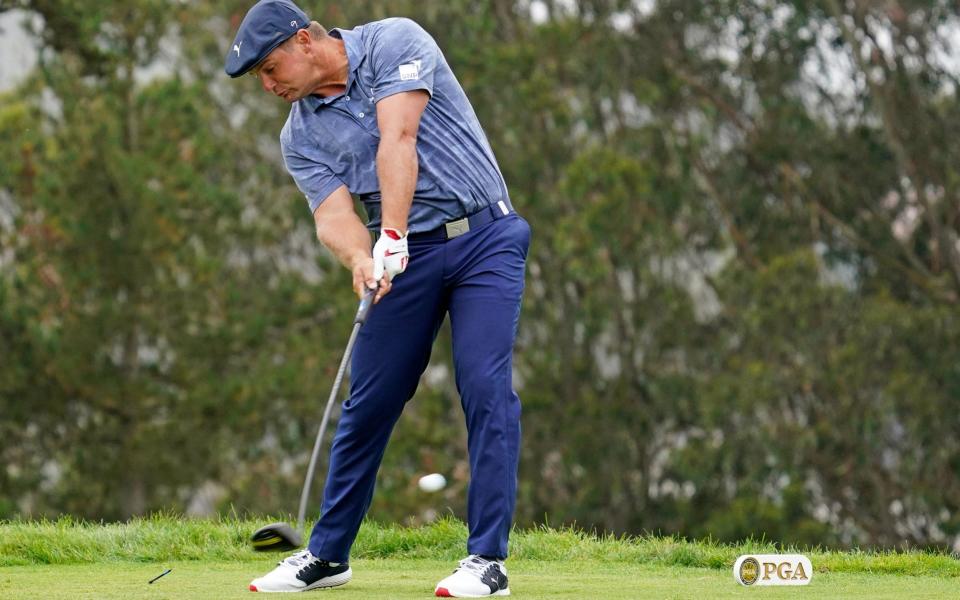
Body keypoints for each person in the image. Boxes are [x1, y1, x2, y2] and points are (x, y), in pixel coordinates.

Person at [225, 1, 530, 596]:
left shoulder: (393, 41)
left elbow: (400, 136)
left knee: (484, 386)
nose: (267, 86)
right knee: (367, 401)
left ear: (304, 42)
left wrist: (389, 232)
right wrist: (362, 259)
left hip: (484, 239)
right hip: (402, 260)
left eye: (269, 68)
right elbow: (332, 215)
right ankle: (327, 555)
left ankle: (486, 561)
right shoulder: (299, 135)